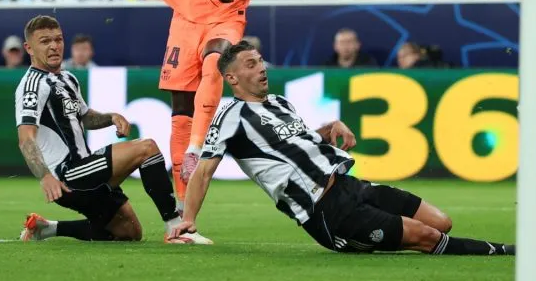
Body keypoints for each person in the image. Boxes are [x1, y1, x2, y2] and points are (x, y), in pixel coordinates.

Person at [168, 40, 515, 258]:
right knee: (427, 237)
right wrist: (189, 221)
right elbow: (204, 170)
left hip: (351, 186)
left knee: (442, 222)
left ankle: (374, 239)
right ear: (231, 79)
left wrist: (330, 127)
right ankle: (506, 251)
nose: (261, 68)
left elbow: (301, 141)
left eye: (260, 61)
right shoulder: (230, 115)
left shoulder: (279, 102)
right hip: (326, 211)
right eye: (250, 64)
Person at [160, 0, 354, 210]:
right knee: (180, 109)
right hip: (188, 9)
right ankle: (180, 210)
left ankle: (195, 150)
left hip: (229, 13)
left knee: (215, 63)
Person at [15, 15, 211, 244]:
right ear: (29, 48)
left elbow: (84, 117)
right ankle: (177, 228)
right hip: (68, 175)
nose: (54, 46)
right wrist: (45, 176)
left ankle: (46, 229)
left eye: (58, 40)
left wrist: (110, 117)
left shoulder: (66, 78)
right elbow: (26, 138)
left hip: (86, 172)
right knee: (146, 148)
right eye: (45, 41)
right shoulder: (32, 85)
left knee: (129, 232)